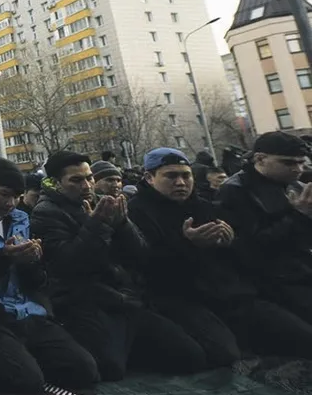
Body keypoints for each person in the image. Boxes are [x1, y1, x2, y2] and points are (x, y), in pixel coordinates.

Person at [31, 151, 207, 381]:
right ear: (55, 183)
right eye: (76, 180)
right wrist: (97, 225)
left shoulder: (102, 203)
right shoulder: (46, 213)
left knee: (191, 357)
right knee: (110, 369)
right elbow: (69, 265)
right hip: (84, 302)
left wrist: (122, 224)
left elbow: (141, 253)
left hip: (123, 299)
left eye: (89, 178)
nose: (86, 185)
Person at [129, 148, 312, 362]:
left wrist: (231, 242)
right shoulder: (137, 212)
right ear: (150, 178)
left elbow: (246, 254)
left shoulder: (205, 207)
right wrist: (189, 245)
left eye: (185, 175)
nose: (180, 182)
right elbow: (147, 266)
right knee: (221, 353)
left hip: (230, 295)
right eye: (171, 176)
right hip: (181, 299)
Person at [0, 159, 99, 392]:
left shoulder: (21, 219)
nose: (10, 203)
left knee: (85, 370)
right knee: (27, 381)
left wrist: (32, 262)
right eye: (4, 194)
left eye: (16, 196)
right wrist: (3, 258)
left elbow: (38, 278)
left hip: (27, 310)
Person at [218, 131, 312, 323]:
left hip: (300, 270)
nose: (298, 169)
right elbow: (250, 248)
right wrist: (299, 215)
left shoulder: (293, 185)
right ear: (260, 159)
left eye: (301, 162)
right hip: (272, 282)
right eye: (289, 163)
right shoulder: (235, 190)